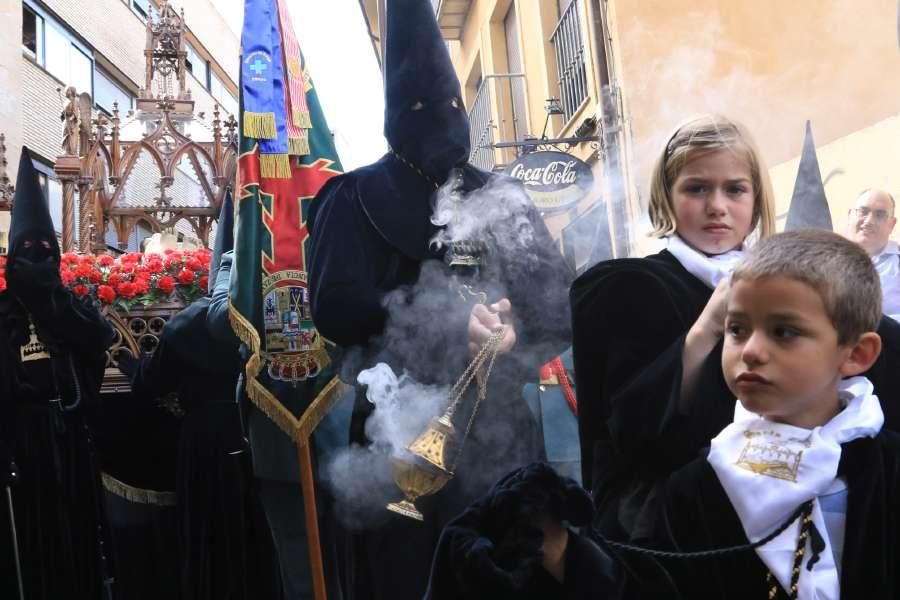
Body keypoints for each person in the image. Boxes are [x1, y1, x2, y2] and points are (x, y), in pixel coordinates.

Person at [306, 1, 572, 598]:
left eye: (452, 104)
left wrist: (513, 332)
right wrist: (452, 328)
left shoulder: (503, 196)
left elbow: (556, 309)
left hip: (502, 435)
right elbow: (335, 307)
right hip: (394, 444)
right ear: (397, 110)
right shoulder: (350, 199)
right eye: (424, 107)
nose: (441, 118)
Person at [634, 230, 900, 598]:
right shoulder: (699, 485)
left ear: (856, 354)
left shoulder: (888, 467)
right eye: (737, 329)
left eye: (784, 332)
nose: (752, 351)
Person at [571, 114, 776, 538]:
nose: (717, 206)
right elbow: (626, 432)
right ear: (667, 196)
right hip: (666, 524)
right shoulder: (626, 285)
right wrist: (705, 329)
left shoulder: (782, 286)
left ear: (756, 199)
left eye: (734, 189)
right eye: (697, 188)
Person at [117, 193, 281, 600]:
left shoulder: (186, 324)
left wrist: (130, 365)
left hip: (204, 444)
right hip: (255, 434)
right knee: (254, 534)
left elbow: (151, 383)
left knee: (209, 535)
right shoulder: (269, 314)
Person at [0, 150, 116, 599]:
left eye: (45, 253)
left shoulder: (71, 306)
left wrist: (54, 303)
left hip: (68, 436)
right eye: (28, 253)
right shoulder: (5, 312)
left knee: (77, 531)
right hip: (21, 444)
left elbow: (98, 338)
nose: (38, 261)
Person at [844, 189, 900, 321]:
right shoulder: (824, 259)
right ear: (850, 215)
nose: (869, 221)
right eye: (863, 212)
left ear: (892, 224)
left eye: (880, 215)